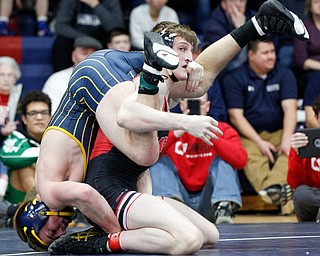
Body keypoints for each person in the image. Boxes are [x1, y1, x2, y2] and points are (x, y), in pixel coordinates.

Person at [14, 0, 309, 252]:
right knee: (194, 87)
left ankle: (160, 64)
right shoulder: (65, 186)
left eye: (51, 232)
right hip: (101, 79)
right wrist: (135, 219)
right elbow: (128, 144)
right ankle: (257, 25)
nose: (61, 231)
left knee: (149, 142)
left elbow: (95, 183)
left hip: (92, 79)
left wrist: (110, 235)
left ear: (36, 214)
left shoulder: (49, 190)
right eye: (181, 52)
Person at [223, 37, 297, 214]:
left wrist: (287, 140)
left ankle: (272, 188)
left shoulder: (284, 74)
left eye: (272, 52)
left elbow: (290, 109)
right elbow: (236, 117)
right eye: (265, 53)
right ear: (251, 55)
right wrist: (260, 142)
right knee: (248, 154)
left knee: (294, 147)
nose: (271, 56)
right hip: (249, 134)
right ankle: (281, 195)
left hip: (279, 132)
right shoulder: (236, 78)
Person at [150, 93, 247, 224]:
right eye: (192, 103)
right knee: (157, 161)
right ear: (182, 105)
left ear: (207, 107)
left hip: (210, 201)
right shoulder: (169, 131)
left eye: (200, 103)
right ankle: (171, 206)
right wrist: (178, 131)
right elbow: (147, 156)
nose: (197, 107)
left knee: (225, 160)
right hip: (180, 201)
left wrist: (208, 133)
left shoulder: (222, 129)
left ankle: (223, 207)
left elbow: (240, 160)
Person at [0, 91, 51, 204]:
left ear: (50, 116)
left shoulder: (57, 137)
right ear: (24, 118)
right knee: (24, 167)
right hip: (14, 204)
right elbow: (7, 156)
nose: (39, 117)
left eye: (43, 112)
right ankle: (41, 208)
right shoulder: (17, 137)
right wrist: (51, 153)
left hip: (53, 191)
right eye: (33, 113)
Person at [52, 0, 124, 72]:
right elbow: (60, 27)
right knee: (61, 43)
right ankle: (61, 77)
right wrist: (86, 39)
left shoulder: (111, 1)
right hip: (76, 38)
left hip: (101, 40)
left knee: (118, 42)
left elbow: (116, 29)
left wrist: (95, 5)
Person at [42, 36, 103, 114]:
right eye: (84, 53)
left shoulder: (106, 80)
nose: (89, 58)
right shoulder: (56, 79)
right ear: (74, 56)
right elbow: (50, 113)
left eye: (93, 54)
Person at [203, 0, 256, 84]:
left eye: (242, 1)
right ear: (224, 4)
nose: (238, 4)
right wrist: (241, 30)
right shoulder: (213, 27)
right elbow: (225, 60)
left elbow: (262, 46)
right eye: (233, 0)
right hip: (225, 71)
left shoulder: (254, 17)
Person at [288, 93, 320, 222]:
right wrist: (297, 154)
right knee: (301, 194)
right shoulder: (304, 141)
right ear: (317, 117)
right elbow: (295, 183)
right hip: (314, 197)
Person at [294, 0, 320, 128]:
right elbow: (301, 60)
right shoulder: (303, 27)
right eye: (316, 1)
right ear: (309, 5)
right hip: (311, 71)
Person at [0, 56, 22, 202]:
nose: (6, 79)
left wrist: (14, 128)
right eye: (2, 75)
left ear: (16, 77)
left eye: (10, 75)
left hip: (14, 142)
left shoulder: (21, 95)